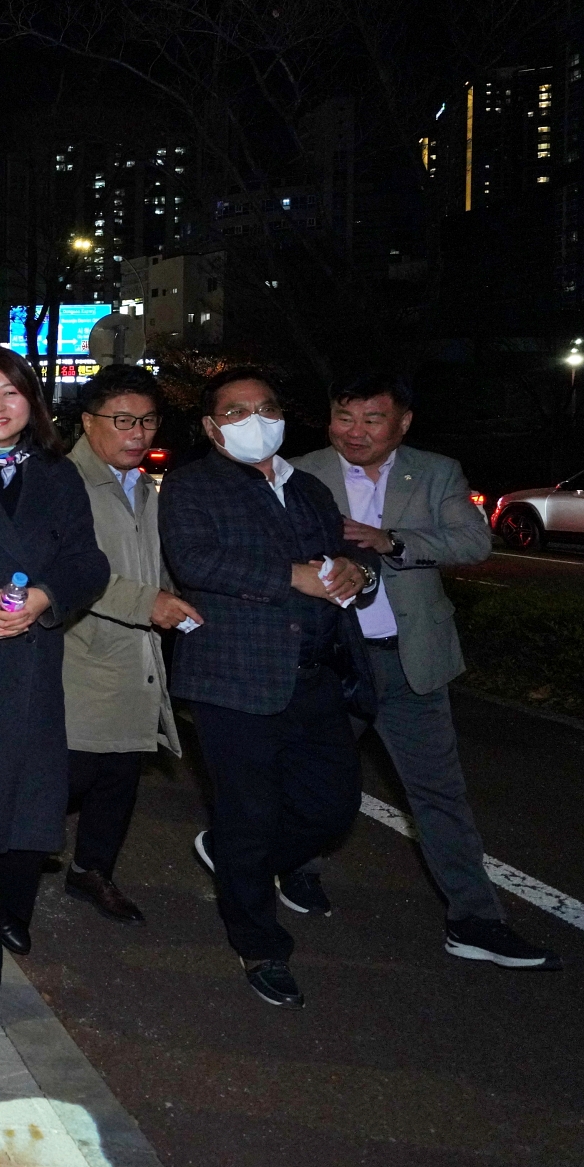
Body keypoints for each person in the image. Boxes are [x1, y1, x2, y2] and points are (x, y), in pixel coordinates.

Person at [291, 370, 560, 968]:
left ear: (402, 423)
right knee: (318, 782)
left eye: (372, 419)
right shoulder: (301, 471)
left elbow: (473, 542)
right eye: (344, 418)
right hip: (330, 661)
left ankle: (475, 919)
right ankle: (294, 867)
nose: (355, 432)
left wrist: (388, 540)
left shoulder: (435, 471)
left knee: (439, 795)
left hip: (408, 662)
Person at [161, 368, 379, 1009]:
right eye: (234, 411)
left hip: (316, 675)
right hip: (236, 678)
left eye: (266, 407)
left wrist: (354, 573)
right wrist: (295, 577)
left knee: (332, 808)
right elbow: (197, 561)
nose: (254, 419)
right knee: (249, 816)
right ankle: (259, 944)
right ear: (209, 426)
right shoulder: (192, 485)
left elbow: (343, 560)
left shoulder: (308, 487)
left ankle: (233, 859)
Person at [0, 349, 109, 1032]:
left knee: (26, 820)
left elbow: (86, 559)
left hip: (33, 662)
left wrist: (44, 596)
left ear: (32, 402)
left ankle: (8, 912)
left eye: (11, 393)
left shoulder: (58, 475)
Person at [59, 367, 199, 926]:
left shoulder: (144, 485)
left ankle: (93, 870)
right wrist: (148, 604)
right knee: (66, 776)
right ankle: (4, 880)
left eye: (146, 420)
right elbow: (67, 570)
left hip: (138, 659)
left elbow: (157, 564)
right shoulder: (64, 483)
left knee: (119, 779)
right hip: (80, 656)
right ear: (89, 423)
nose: (137, 433)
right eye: (123, 420)